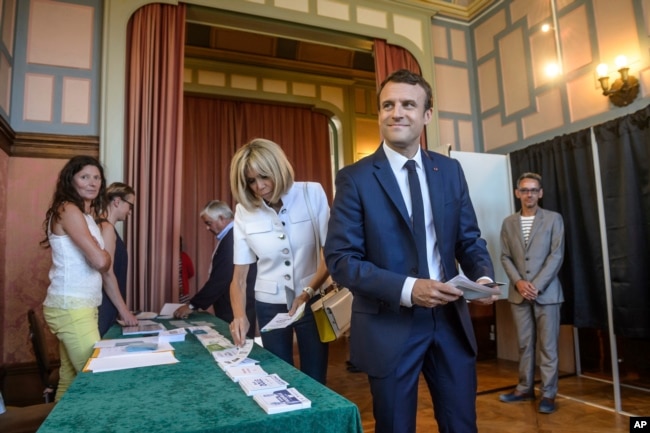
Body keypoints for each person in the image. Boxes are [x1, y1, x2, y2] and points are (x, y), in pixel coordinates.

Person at [324, 69, 497, 433]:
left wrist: (482, 277)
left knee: (462, 424)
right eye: (388, 105)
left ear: (427, 115)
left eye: (407, 104)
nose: (396, 112)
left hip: (450, 320)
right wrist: (409, 289)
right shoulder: (354, 178)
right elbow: (341, 261)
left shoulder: (449, 170)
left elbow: (469, 239)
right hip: (389, 323)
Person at [228, 138, 330, 384]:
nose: (259, 186)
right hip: (269, 305)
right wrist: (239, 316)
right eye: (251, 181)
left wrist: (307, 293)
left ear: (278, 169)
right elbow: (239, 279)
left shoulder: (311, 193)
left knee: (315, 377)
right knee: (277, 376)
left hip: (312, 300)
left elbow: (329, 255)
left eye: (264, 176)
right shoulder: (244, 210)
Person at [40, 156, 135, 401]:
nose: (92, 183)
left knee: (71, 380)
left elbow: (103, 267)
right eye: (84, 177)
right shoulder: (67, 209)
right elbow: (102, 262)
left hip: (80, 305)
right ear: (70, 180)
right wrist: (99, 251)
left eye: (96, 178)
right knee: (98, 380)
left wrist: (123, 311)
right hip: (72, 307)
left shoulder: (85, 215)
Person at [498, 172, 565, 414]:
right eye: (525, 190)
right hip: (518, 295)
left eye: (534, 190)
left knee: (548, 346)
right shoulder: (508, 223)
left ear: (541, 193)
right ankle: (524, 389)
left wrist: (535, 285)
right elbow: (505, 256)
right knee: (525, 345)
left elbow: (556, 255)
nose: (529, 194)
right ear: (518, 193)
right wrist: (518, 283)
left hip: (547, 294)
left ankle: (548, 394)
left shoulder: (554, 219)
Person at [173, 201, 257, 338]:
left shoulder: (233, 239)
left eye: (208, 223)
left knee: (237, 346)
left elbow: (220, 279)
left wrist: (192, 305)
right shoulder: (230, 236)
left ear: (222, 218)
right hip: (232, 305)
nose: (207, 228)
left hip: (234, 307)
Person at [96, 182, 139, 336]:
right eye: (130, 206)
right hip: (105, 304)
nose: (130, 212)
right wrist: (124, 311)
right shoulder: (106, 229)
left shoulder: (104, 226)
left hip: (107, 302)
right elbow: (107, 274)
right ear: (117, 201)